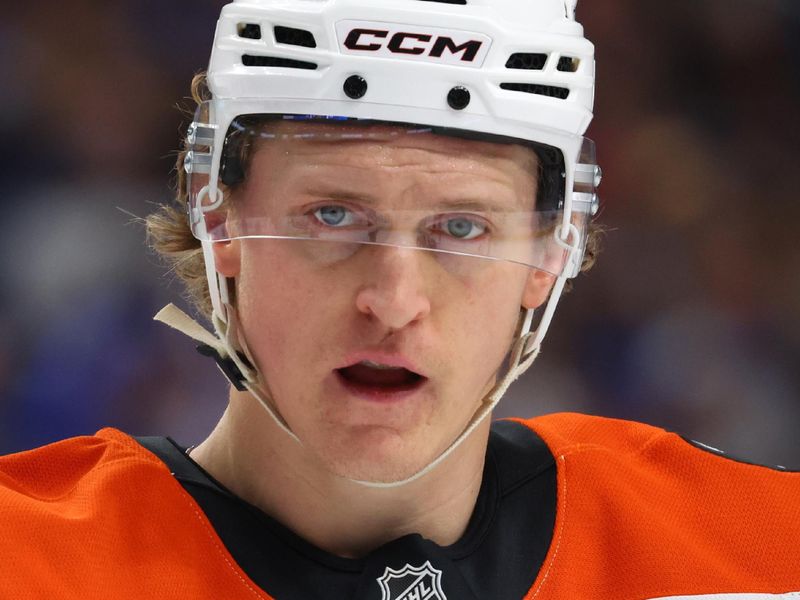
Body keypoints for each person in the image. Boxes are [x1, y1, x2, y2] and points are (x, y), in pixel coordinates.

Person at [1, 0, 798, 598]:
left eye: (462, 226)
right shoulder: (26, 560)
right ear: (220, 219)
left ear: (551, 256)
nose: (393, 300)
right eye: (333, 215)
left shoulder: (759, 551)